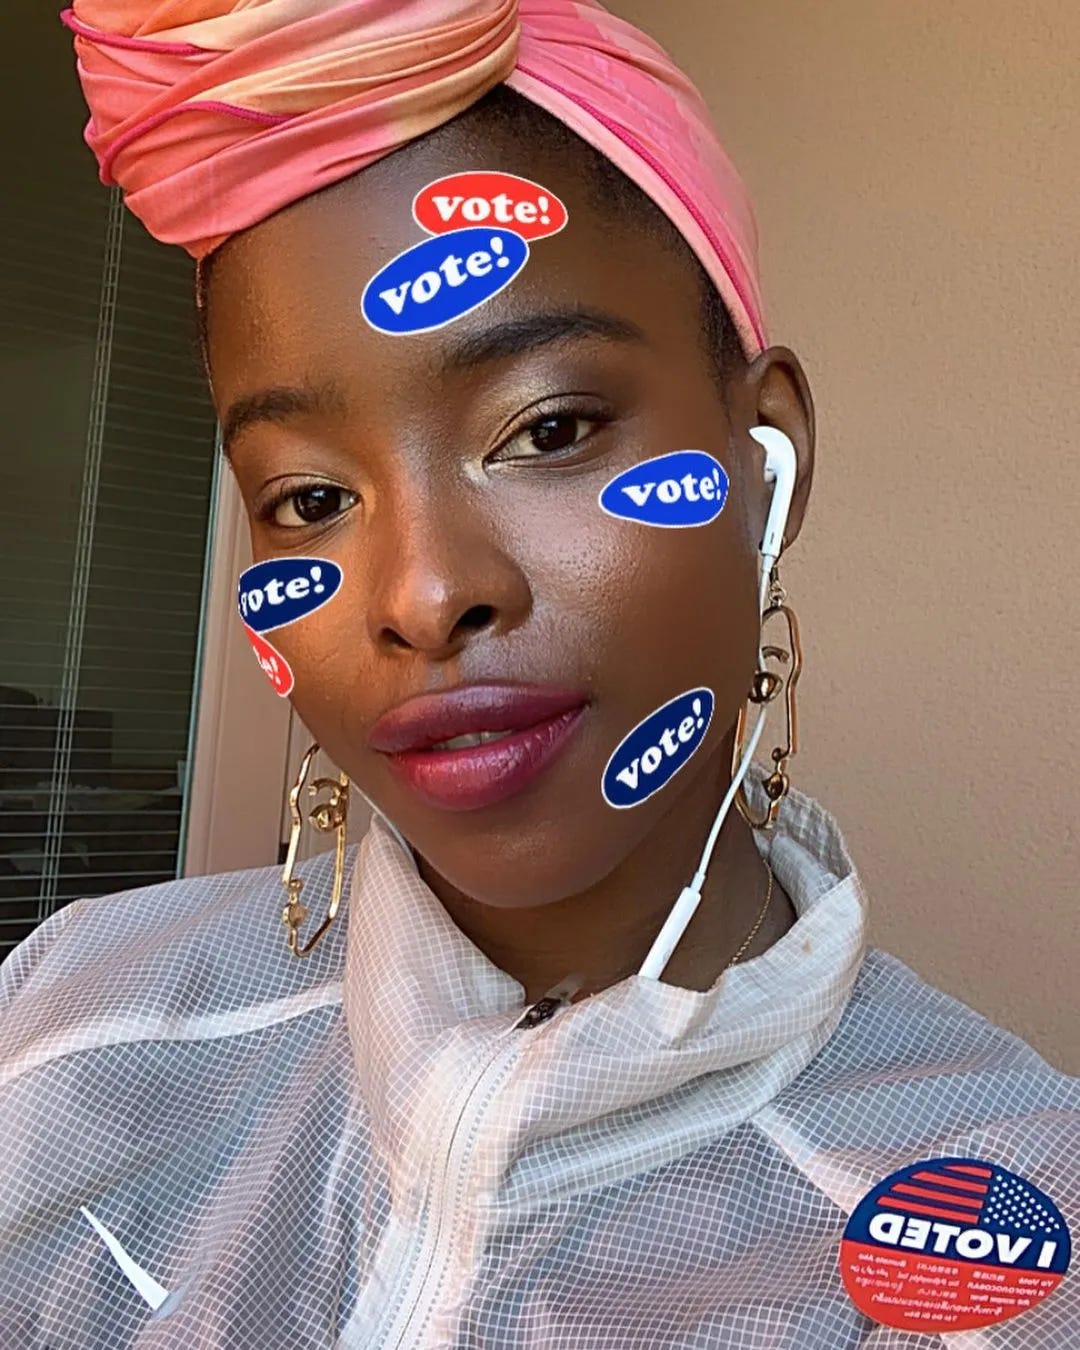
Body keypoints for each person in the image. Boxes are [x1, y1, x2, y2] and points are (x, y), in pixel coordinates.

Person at [0, 2, 1075, 1346]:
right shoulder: (64, 1030)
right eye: (310, 496)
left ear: (763, 463)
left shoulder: (1011, 1234)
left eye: (550, 426)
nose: (425, 593)